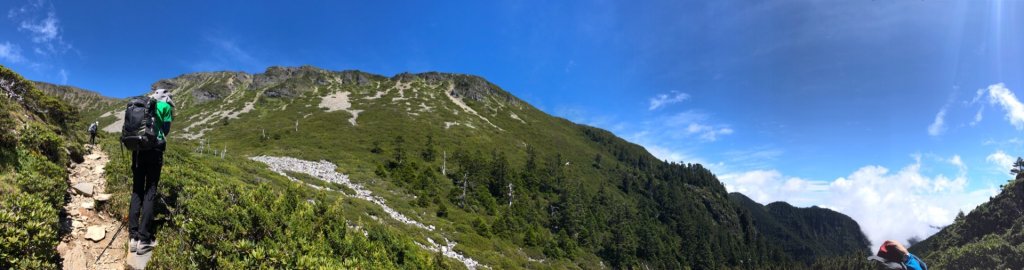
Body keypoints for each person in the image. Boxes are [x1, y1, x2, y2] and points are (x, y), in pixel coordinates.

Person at [128, 89, 173, 255]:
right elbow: (165, 130)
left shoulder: (142, 104)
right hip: (154, 151)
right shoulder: (165, 107)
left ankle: (132, 238)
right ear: (166, 98)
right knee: (150, 191)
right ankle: (144, 239)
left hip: (138, 150)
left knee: (137, 190)